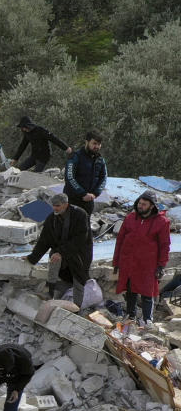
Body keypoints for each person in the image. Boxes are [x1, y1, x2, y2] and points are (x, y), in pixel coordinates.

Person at [113, 190, 170, 326]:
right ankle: (130, 316)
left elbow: (164, 245)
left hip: (148, 264)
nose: (140, 206)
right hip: (129, 261)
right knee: (130, 289)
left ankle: (147, 320)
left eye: (144, 204)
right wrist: (117, 261)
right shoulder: (130, 218)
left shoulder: (162, 222)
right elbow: (120, 240)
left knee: (147, 291)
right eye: (139, 203)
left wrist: (161, 265)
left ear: (152, 206)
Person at [26, 193, 92, 307]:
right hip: (60, 251)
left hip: (79, 253)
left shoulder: (79, 214)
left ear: (66, 205)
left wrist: (61, 252)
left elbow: (80, 237)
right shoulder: (52, 218)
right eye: (54, 205)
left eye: (58, 205)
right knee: (54, 263)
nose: (55, 208)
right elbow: (44, 240)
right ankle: (50, 294)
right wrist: (32, 257)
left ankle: (77, 307)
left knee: (78, 278)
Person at [63, 130, 107, 217]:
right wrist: (82, 194)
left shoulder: (100, 160)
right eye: (94, 143)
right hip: (72, 200)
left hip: (89, 201)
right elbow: (69, 177)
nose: (97, 146)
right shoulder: (75, 156)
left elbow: (103, 178)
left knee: (85, 227)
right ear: (87, 142)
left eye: (99, 144)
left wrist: (95, 194)